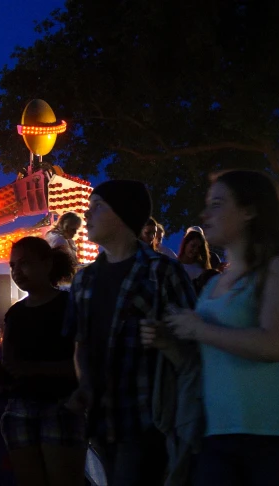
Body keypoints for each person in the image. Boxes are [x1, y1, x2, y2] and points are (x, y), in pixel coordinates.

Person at [161, 170, 279, 486]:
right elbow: (209, 353)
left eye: (217, 204)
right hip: (219, 435)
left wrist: (198, 330)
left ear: (249, 210)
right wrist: (169, 340)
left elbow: (274, 345)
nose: (205, 213)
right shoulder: (216, 283)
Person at [68, 180, 201, 486]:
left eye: (97, 206)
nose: (87, 215)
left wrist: (168, 341)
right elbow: (81, 344)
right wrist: (85, 384)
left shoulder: (162, 272)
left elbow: (195, 345)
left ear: (122, 214)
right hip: (101, 421)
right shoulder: (84, 280)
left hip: (148, 419)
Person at [0, 237, 84, 486]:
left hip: (60, 405)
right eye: (13, 266)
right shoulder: (15, 314)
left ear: (47, 263)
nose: (17, 271)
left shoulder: (70, 306)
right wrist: (1, 372)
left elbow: (83, 363)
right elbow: (11, 363)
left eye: (24, 263)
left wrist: (29, 369)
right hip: (20, 407)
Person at [178, 230, 220, 295]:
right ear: (186, 243)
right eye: (193, 246)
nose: (195, 250)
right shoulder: (173, 264)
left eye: (199, 248)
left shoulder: (200, 270)